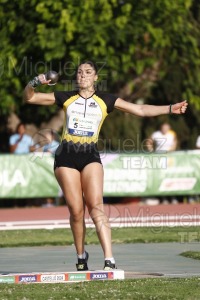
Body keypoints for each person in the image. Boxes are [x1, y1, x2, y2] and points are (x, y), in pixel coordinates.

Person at [23, 61, 188, 271]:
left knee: (96, 207)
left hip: (90, 155)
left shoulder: (106, 100)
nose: (82, 75)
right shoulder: (66, 97)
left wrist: (170, 108)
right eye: (79, 72)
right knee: (76, 210)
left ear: (95, 78)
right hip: (66, 157)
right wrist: (35, 81)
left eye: (88, 72)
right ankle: (81, 256)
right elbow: (29, 97)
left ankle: (109, 260)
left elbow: (140, 109)